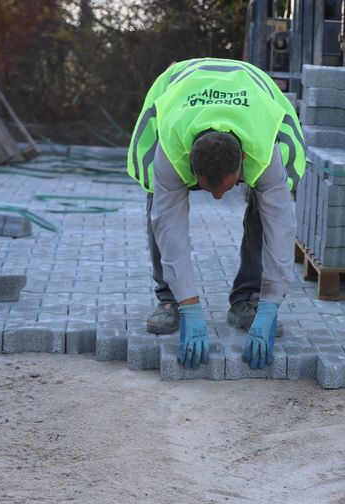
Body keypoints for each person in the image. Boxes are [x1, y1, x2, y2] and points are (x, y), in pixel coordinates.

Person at [127, 57, 305, 369]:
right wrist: (189, 304)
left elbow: (282, 228)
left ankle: (247, 301)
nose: (221, 197)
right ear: (189, 168)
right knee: (159, 205)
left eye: (227, 187)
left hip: (253, 94)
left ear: (244, 164)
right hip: (177, 94)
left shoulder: (266, 150)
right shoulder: (170, 150)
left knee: (266, 211)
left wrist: (271, 304)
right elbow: (170, 227)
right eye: (211, 191)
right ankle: (168, 298)